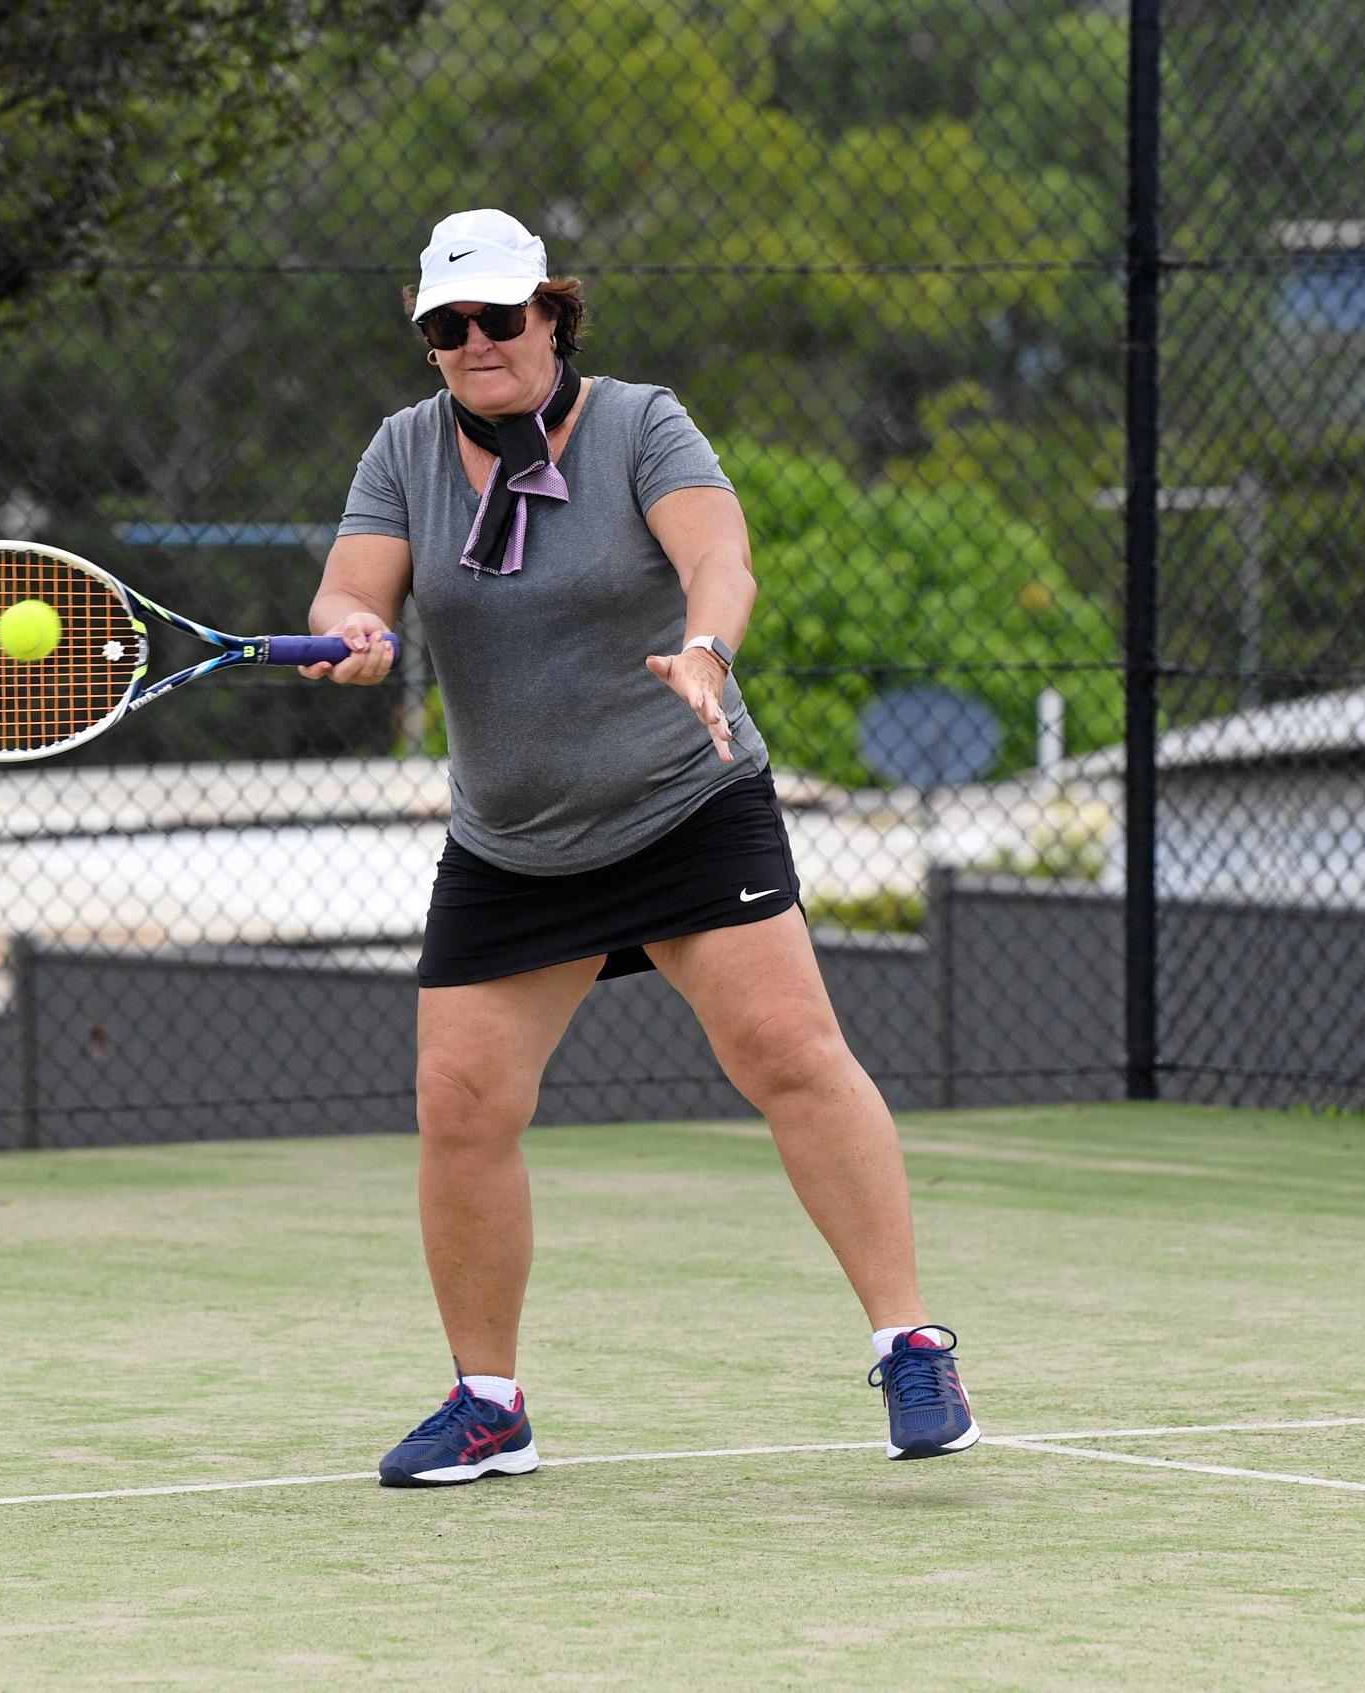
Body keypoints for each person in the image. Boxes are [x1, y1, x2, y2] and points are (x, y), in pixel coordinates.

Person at [306, 207, 977, 1487]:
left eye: (501, 317)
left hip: (683, 800)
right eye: (448, 326)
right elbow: (352, 585)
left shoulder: (639, 423)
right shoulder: (404, 451)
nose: (476, 343)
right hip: (512, 841)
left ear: (554, 315)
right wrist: (355, 630)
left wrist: (707, 649)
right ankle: (489, 1405)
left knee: (789, 1053)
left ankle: (910, 1343)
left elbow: (718, 553)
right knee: (460, 1104)